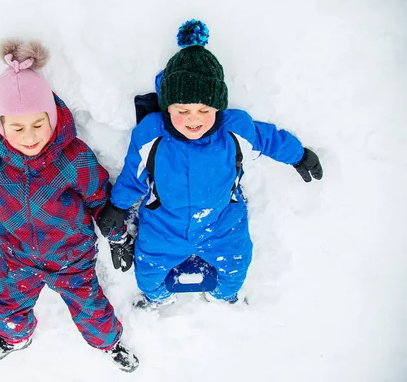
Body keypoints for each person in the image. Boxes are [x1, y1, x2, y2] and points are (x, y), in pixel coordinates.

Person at [0, 39, 138, 372]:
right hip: (17, 256)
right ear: (2, 125)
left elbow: (100, 198)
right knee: (8, 306)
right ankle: (14, 337)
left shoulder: (72, 156)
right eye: (17, 128)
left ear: (52, 118)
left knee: (90, 307)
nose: (29, 136)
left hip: (71, 256)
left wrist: (118, 236)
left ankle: (109, 343)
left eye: (38, 125)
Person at [97, 20, 323, 308]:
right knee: (149, 271)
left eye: (204, 109)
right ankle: (157, 297)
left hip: (223, 222)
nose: (194, 119)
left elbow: (269, 139)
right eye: (182, 110)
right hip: (165, 223)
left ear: (218, 106)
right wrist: (118, 205)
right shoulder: (151, 134)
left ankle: (224, 296)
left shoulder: (234, 131)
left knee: (236, 264)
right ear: (167, 107)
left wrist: (299, 155)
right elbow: (133, 175)